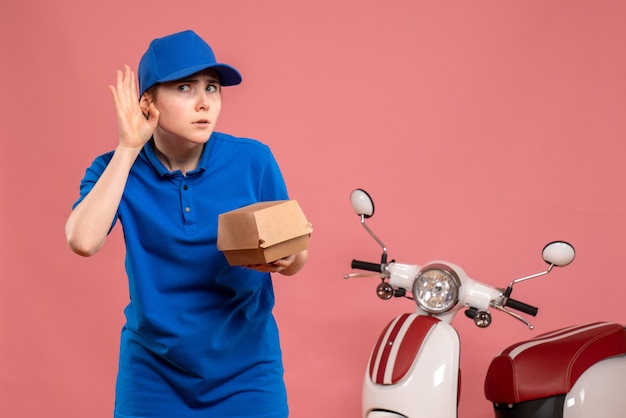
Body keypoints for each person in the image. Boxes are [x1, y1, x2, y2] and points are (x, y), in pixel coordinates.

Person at [65, 29, 308, 418]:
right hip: (153, 373)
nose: (203, 103)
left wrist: (286, 258)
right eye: (184, 88)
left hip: (246, 370)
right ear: (148, 102)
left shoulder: (253, 160)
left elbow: (297, 256)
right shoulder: (115, 169)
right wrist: (128, 148)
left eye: (212, 88)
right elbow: (82, 240)